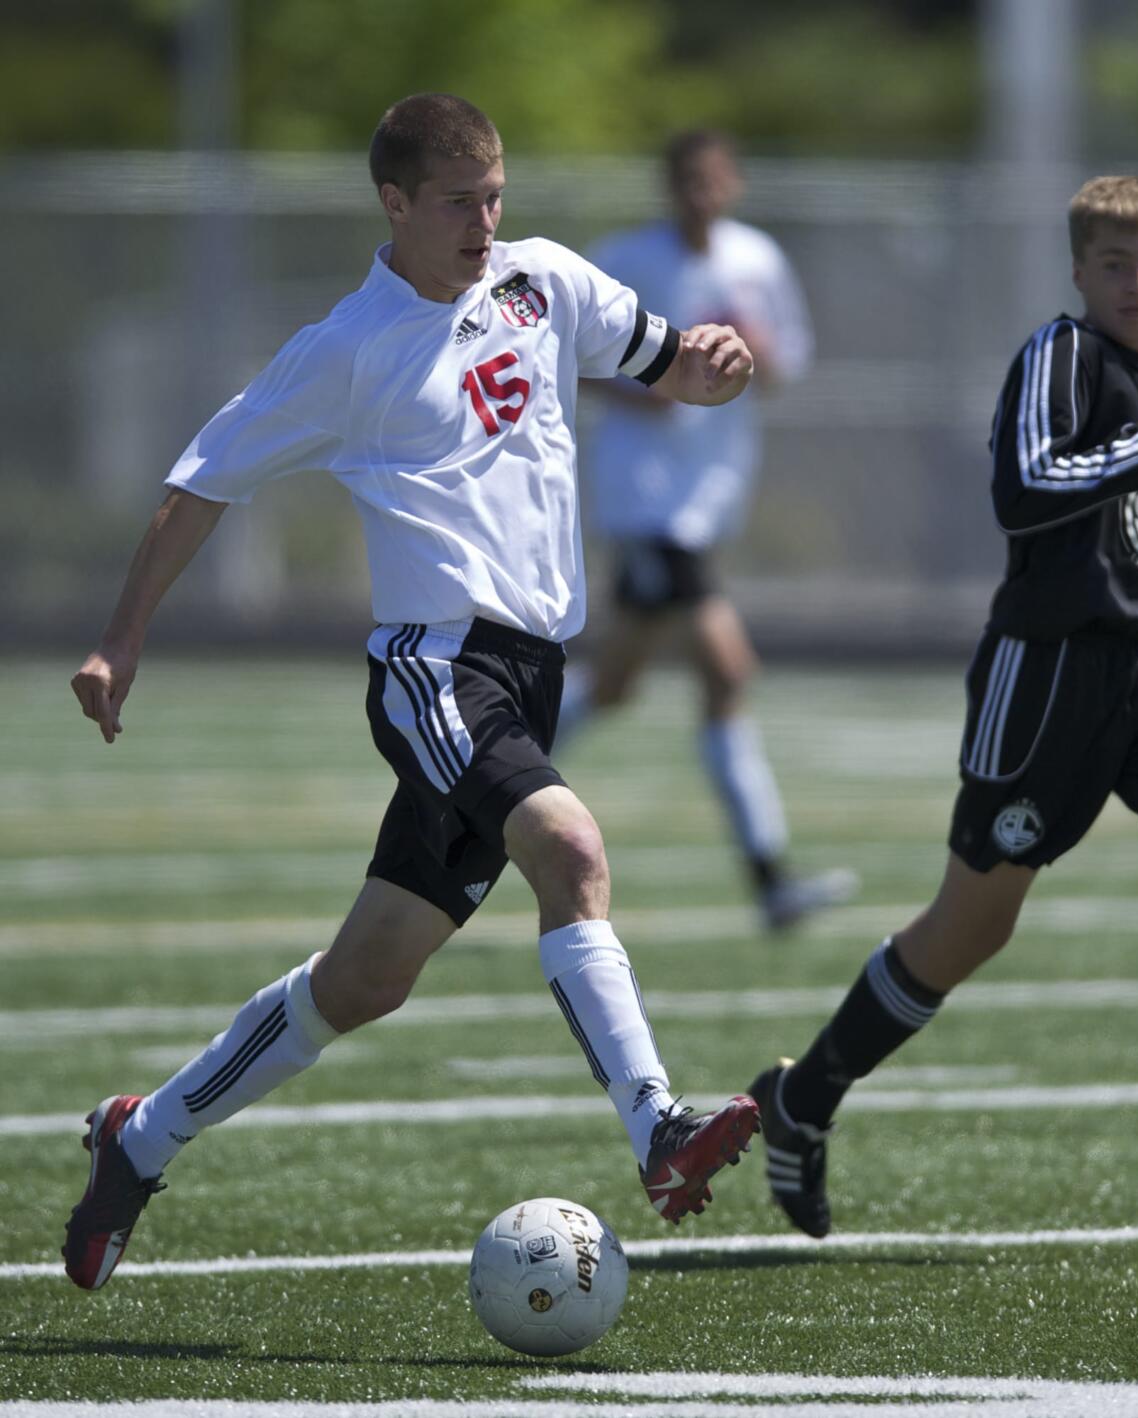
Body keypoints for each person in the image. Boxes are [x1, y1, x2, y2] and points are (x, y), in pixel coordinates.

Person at [62, 93, 765, 1291]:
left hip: (529, 677)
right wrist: (122, 639)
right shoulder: (345, 349)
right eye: (457, 203)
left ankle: (142, 1136)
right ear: (393, 204)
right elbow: (199, 485)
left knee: (364, 981)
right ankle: (655, 1128)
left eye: (494, 195)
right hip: (434, 669)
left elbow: (665, 364)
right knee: (571, 847)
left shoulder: (543, 280)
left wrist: (709, 371)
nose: (484, 222)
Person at [747, 174, 1138, 1238]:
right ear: (1078, 271)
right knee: (967, 929)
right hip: (1047, 683)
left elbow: (1121, 521)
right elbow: (1024, 486)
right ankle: (801, 1097)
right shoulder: (1059, 353)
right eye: (1115, 264)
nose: (1136, 282)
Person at [555, 130, 856, 931]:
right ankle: (771, 881)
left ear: (735, 184)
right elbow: (560, 355)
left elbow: (786, 363)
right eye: (687, 180)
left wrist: (759, 358)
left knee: (615, 685)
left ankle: (479, 778)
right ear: (668, 185)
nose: (701, 194)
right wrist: (640, 387)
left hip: (709, 499)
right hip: (648, 501)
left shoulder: (755, 260)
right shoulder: (626, 257)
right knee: (728, 671)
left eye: (714, 180)